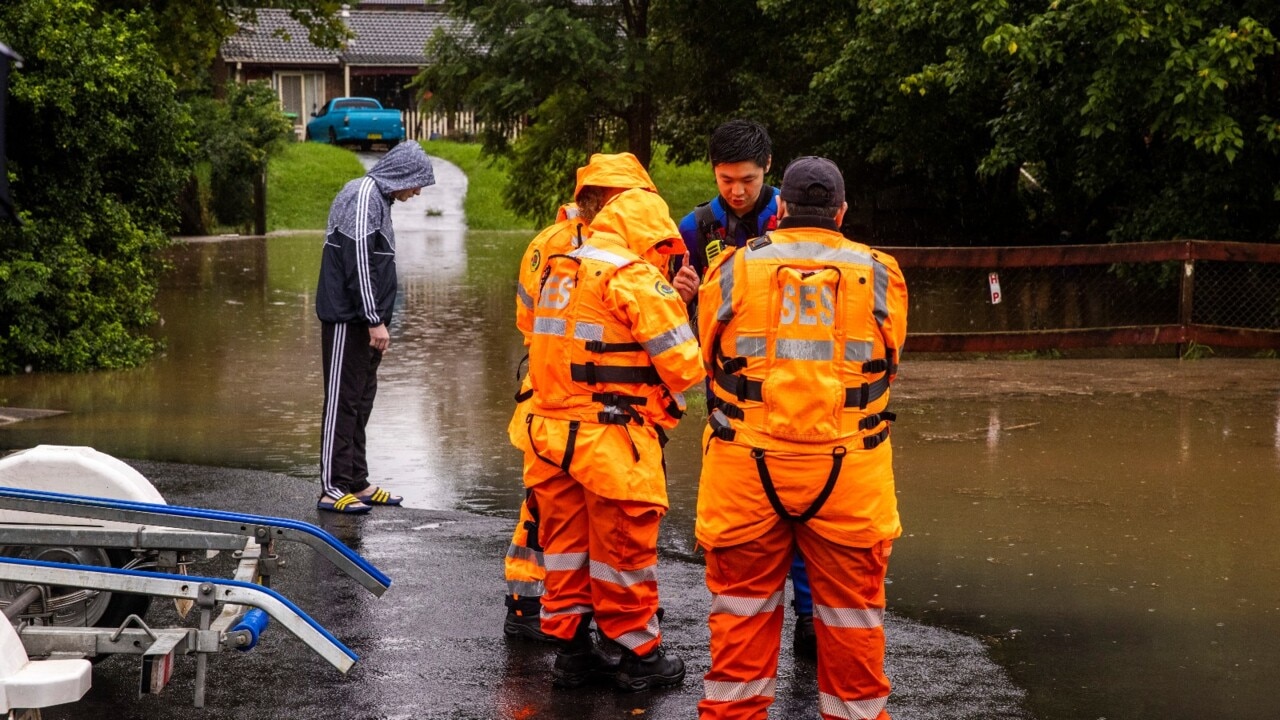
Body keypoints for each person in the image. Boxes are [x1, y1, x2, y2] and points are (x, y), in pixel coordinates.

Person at [694, 156, 908, 720]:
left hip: (746, 464)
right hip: (850, 468)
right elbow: (890, 357)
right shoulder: (881, 271)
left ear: (780, 209)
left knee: (740, 620)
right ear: (841, 212)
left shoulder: (734, 269)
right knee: (853, 621)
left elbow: (706, 354)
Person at [512, 152, 703, 691]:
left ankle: (573, 653)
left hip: (550, 435)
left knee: (566, 547)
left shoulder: (560, 266)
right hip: (611, 440)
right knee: (623, 552)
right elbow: (685, 367)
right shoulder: (635, 277)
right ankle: (639, 657)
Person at [671, 119, 819, 660]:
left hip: (797, 390)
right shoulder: (695, 230)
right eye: (727, 178)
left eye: (749, 180)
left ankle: (808, 619)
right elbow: (671, 328)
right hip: (729, 400)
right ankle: (746, 628)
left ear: (769, 171)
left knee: (802, 513)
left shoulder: (797, 218)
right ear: (714, 172)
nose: (737, 190)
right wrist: (680, 296)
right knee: (740, 521)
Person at [502, 156, 660, 640]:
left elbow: (530, 323)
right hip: (593, 406)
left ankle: (549, 612)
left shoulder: (550, 245)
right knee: (583, 515)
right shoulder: (607, 251)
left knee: (554, 509)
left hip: (549, 397)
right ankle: (572, 616)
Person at [315, 142, 435, 514]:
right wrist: (374, 319)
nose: (415, 193)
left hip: (365, 322)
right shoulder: (364, 194)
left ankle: (356, 481)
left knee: (360, 399)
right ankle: (332, 487)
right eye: (416, 184)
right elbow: (359, 260)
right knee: (341, 401)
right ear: (401, 173)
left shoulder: (378, 200)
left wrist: (378, 320)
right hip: (348, 320)